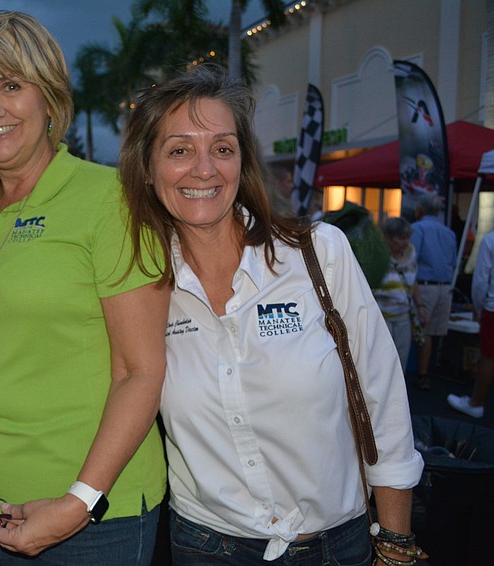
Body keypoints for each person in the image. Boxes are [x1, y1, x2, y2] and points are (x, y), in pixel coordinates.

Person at [120, 65, 424, 566]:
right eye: (179, 150)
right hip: (206, 547)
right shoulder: (142, 285)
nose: (204, 169)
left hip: (337, 544)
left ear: (243, 163)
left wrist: (395, 544)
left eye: (222, 148)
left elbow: (383, 399)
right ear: (147, 169)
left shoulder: (318, 255)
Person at [0, 11, 169, 564]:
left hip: (91, 515)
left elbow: (142, 371)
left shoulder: (109, 198)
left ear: (49, 98)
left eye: (12, 85)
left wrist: (79, 502)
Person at [410, 193, 457, 390]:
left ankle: (421, 374)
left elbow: (411, 259)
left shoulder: (417, 228)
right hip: (445, 287)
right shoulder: (449, 232)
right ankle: (428, 371)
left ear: (420, 209)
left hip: (425, 285)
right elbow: (453, 261)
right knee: (435, 332)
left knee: (424, 332)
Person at [447, 229, 494, 418]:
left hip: (492, 307)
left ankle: (476, 402)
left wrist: (478, 305)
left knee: (488, 356)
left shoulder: (490, 240)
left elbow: (481, 280)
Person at [373, 217, 427, 374]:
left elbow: (412, 280)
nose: (405, 242)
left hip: (403, 314)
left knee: (401, 360)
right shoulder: (376, 254)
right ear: (387, 237)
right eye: (401, 238)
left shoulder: (410, 252)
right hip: (381, 316)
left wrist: (420, 306)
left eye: (407, 238)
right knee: (382, 361)